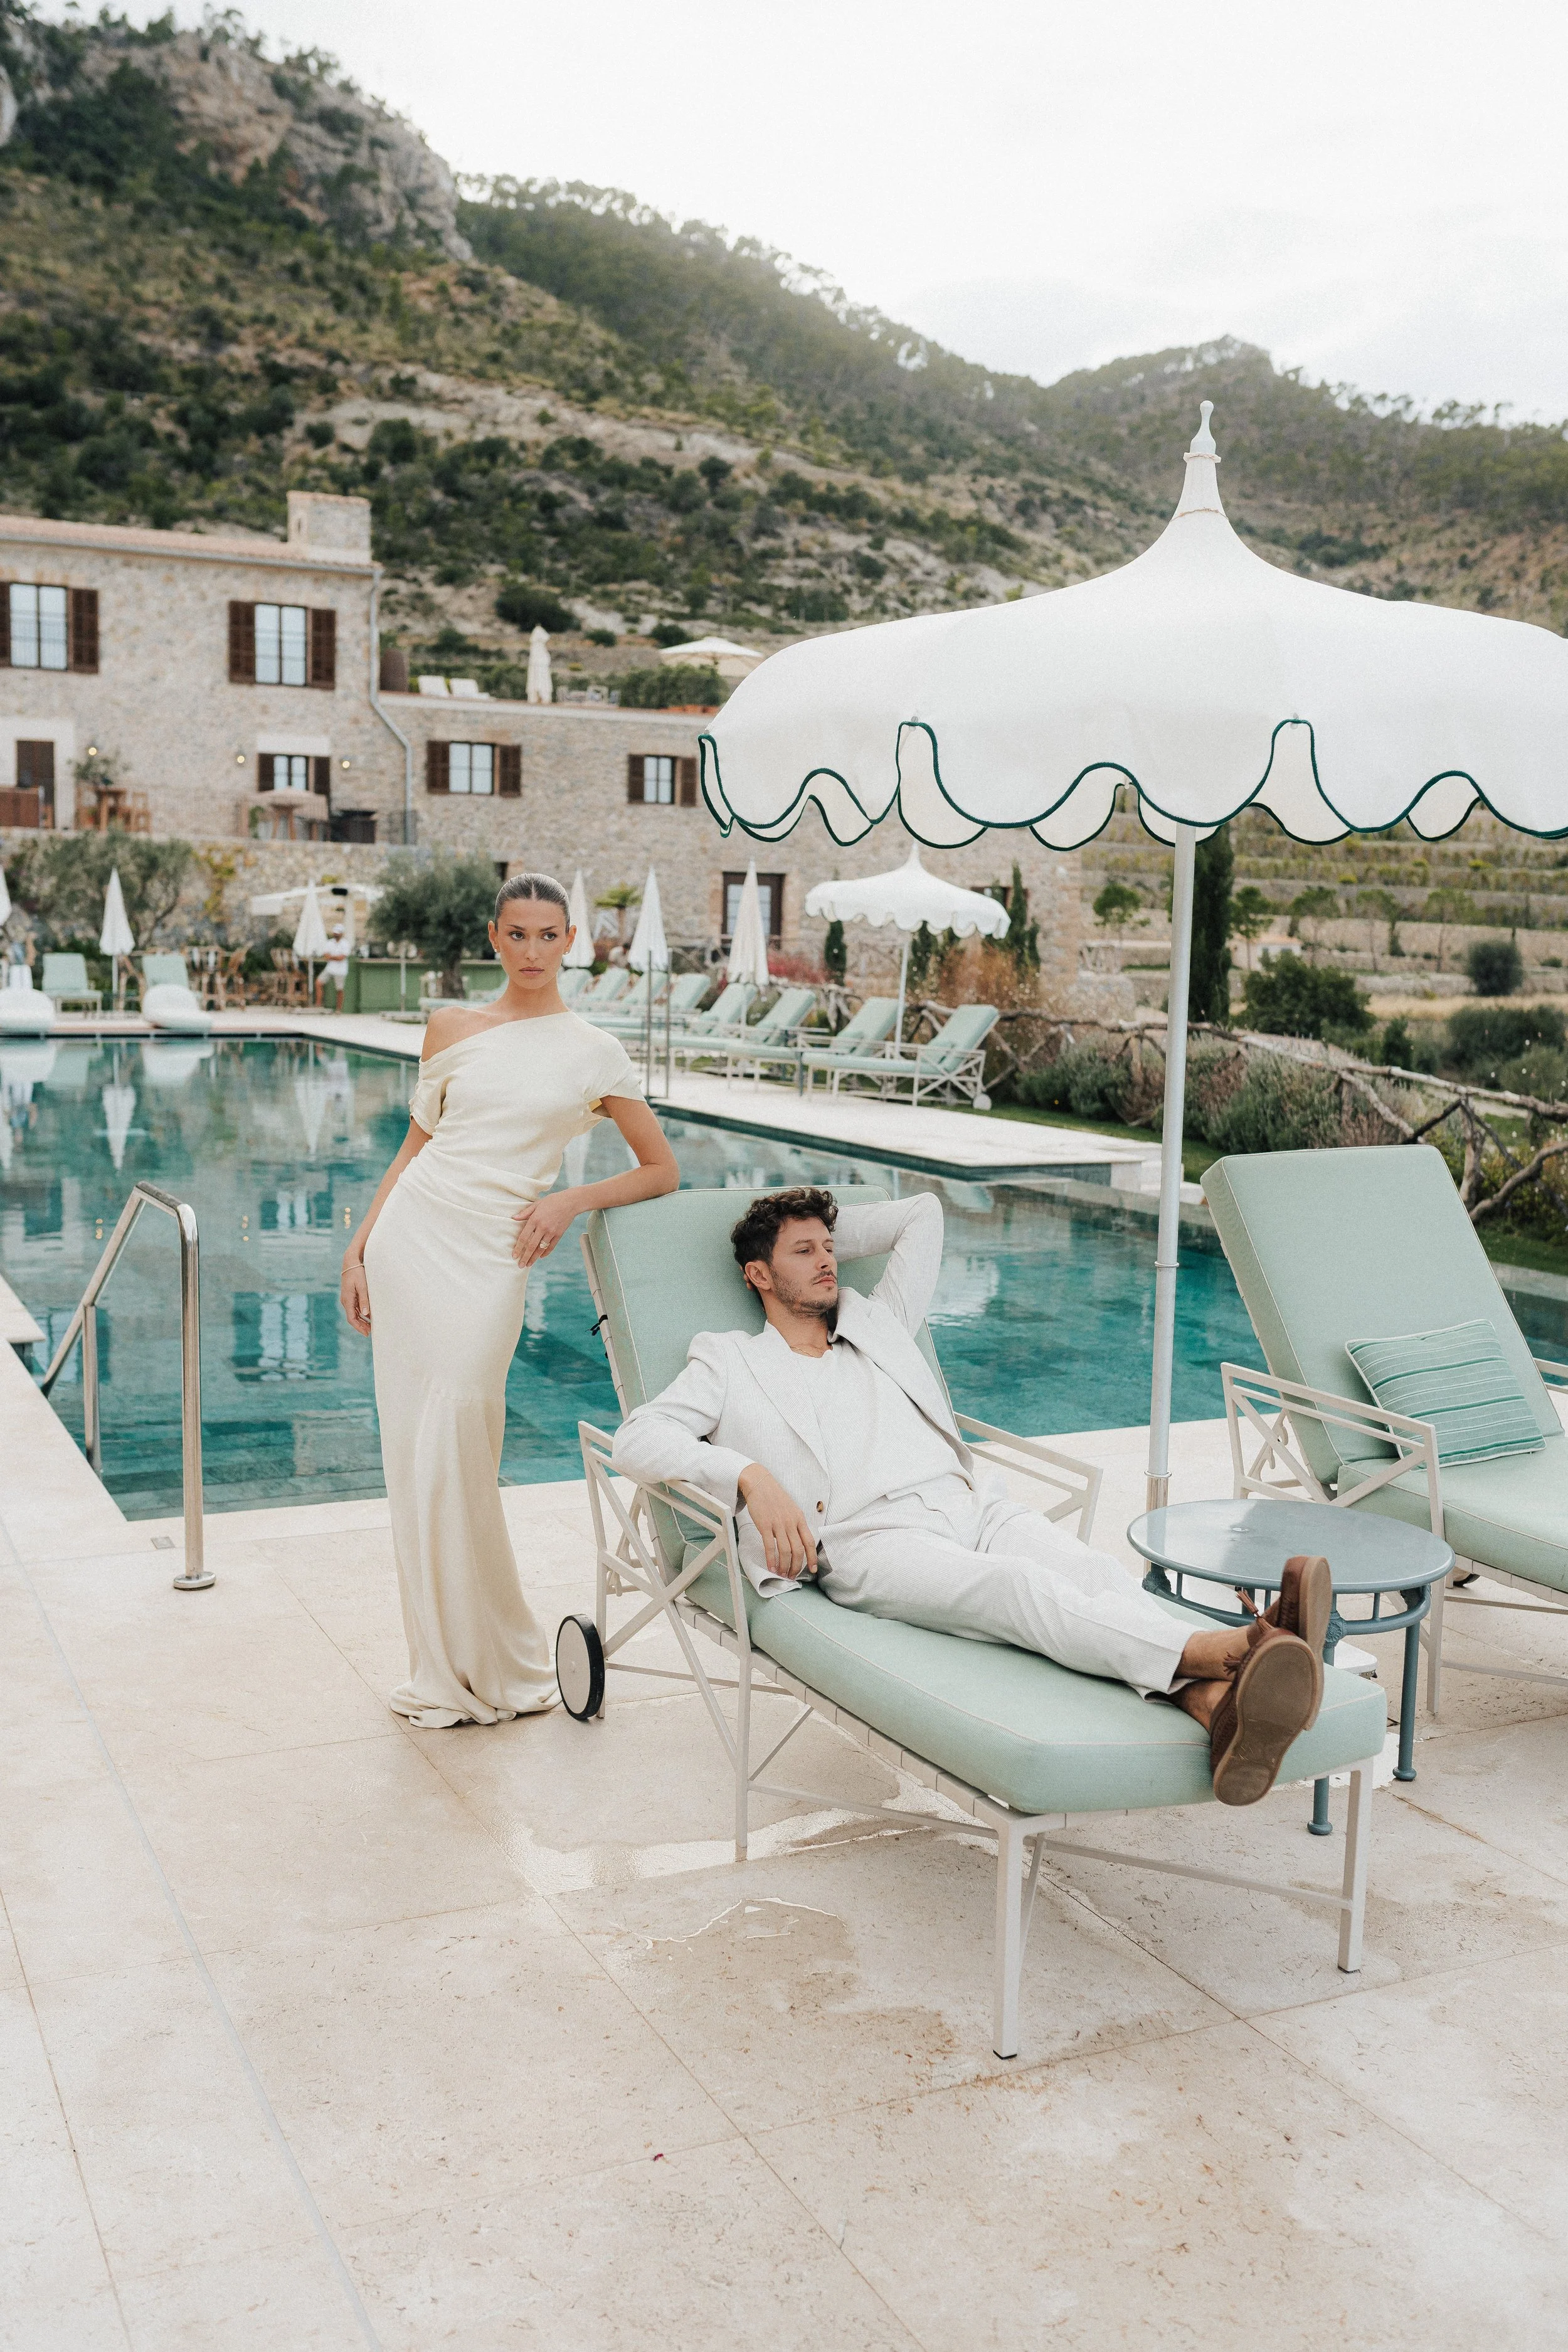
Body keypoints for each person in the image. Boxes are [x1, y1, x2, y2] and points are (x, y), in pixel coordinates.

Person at [612, 1187, 1331, 1805]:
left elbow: (922, 1214)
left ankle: (1213, 1704)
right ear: (757, 1275)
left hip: (967, 1504)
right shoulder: (730, 1360)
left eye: (832, 1246)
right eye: (804, 1251)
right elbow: (637, 1440)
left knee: (1089, 1573)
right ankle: (1244, 1647)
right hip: (872, 1542)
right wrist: (748, 1477)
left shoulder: (878, 1320)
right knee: (1016, 1589)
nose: (829, 1260)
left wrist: (821, 1218)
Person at [341, 872, 679, 1727]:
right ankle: (446, 1660)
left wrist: (569, 1200)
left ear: (572, 941)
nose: (532, 951)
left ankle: (490, 1649)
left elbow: (660, 1169)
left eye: (548, 935)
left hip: (494, 1254)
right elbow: (415, 1147)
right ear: (494, 938)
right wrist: (359, 1245)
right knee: (419, 1450)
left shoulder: (593, 1050)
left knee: (462, 1431)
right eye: (517, 934)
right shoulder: (451, 1027)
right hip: (413, 1238)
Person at [317, 925, 349, 1009]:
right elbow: (326, 955)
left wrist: (332, 957)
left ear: (342, 934)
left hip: (341, 971)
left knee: (339, 989)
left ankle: (339, 1009)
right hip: (330, 968)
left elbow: (342, 958)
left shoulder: (345, 944)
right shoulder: (330, 943)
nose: (336, 935)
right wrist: (335, 957)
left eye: (338, 933)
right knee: (318, 983)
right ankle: (319, 1005)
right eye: (335, 933)